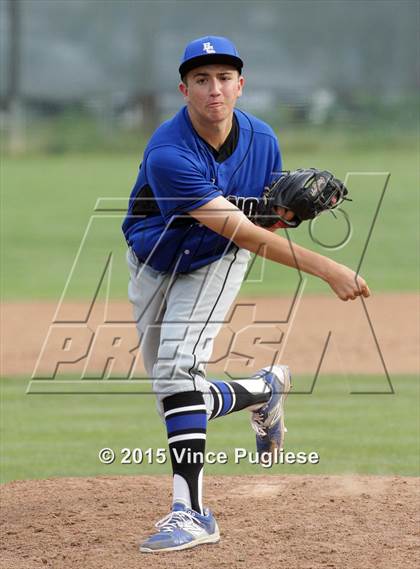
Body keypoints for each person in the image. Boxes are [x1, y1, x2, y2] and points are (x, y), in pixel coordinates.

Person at [122, 35, 370, 553]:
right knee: (174, 389)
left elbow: (263, 227)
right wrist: (328, 268)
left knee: (176, 373)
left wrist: (287, 213)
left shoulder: (262, 140)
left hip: (215, 260)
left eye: (224, 78)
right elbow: (249, 232)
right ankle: (263, 390)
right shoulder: (170, 152)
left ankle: (191, 514)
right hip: (154, 262)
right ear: (183, 89)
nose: (214, 89)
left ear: (241, 84)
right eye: (202, 80)